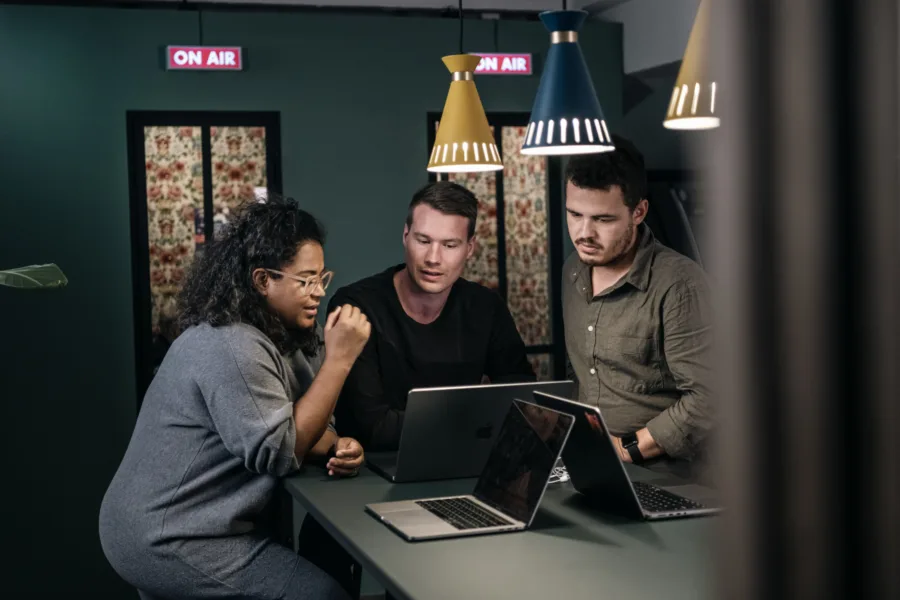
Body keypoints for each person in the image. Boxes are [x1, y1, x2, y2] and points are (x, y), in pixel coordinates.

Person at [99, 196, 371, 600]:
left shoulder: (280, 339)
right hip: (168, 535)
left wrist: (337, 446)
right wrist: (340, 360)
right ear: (263, 280)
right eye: (306, 280)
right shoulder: (233, 345)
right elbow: (280, 453)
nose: (318, 293)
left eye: (322, 278)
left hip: (176, 525)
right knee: (322, 595)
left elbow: (307, 425)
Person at [328, 181, 535, 451]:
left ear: (470, 248)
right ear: (405, 235)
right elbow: (374, 428)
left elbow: (523, 401)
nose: (433, 258)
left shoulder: (485, 307)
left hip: (462, 463)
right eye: (423, 241)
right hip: (372, 470)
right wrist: (476, 419)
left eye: (450, 245)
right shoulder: (357, 306)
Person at [562, 135, 714, 482]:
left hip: (672, 479)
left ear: (639, 212)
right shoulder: (572, 269)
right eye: (574, 214)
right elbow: (582, 376)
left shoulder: (680, 284)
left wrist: (626, 448)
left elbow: (708, 398)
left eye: (602, 219)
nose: (584, 232)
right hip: (593, 472)